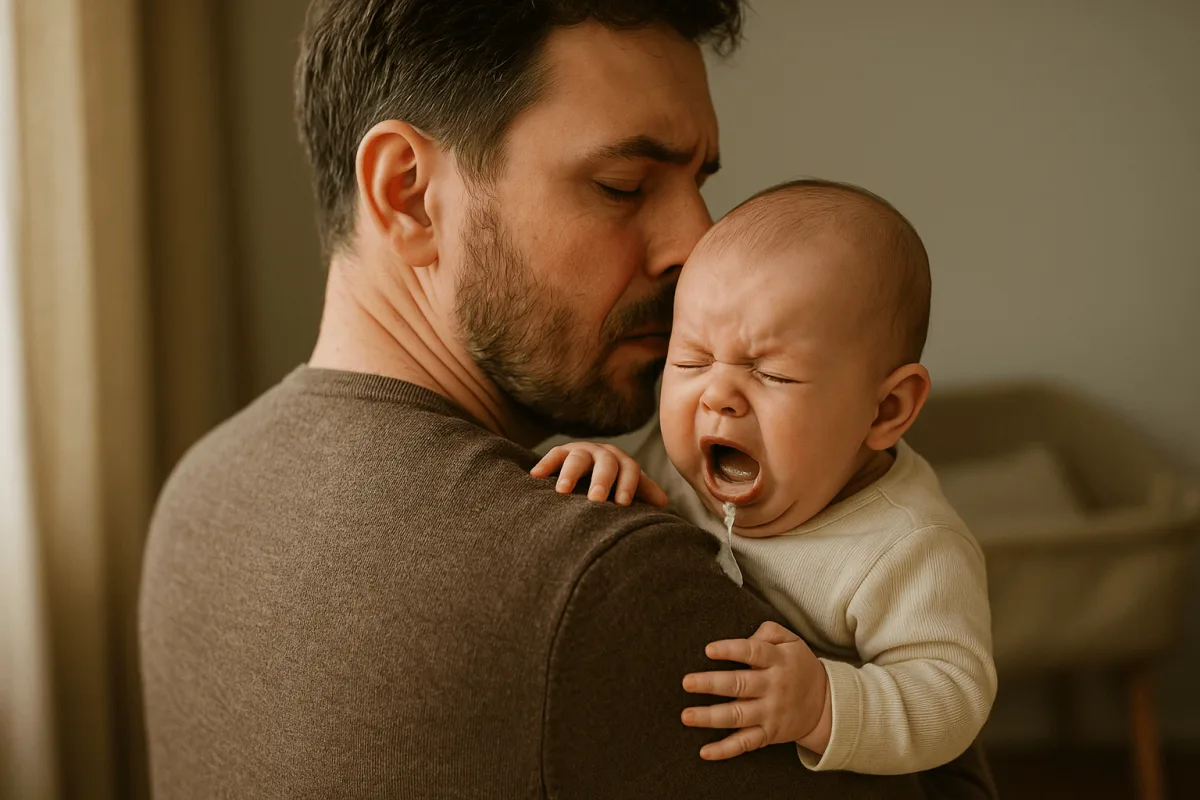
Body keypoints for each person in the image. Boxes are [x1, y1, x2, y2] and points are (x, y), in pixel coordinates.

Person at [138, 2, 998, 797]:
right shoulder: (603, 578)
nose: (698, 244)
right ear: (408, 194)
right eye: (624, 184)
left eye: (699, 182)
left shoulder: (197, 493)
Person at [534, 179, 997, 776]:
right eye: (691, 361)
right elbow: (638, 497)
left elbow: (951, 694)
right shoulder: (672, 455)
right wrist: (604, 468)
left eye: (773, 374)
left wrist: (823, 702)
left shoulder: (908, 548)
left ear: (885, 410)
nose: (717, 396)